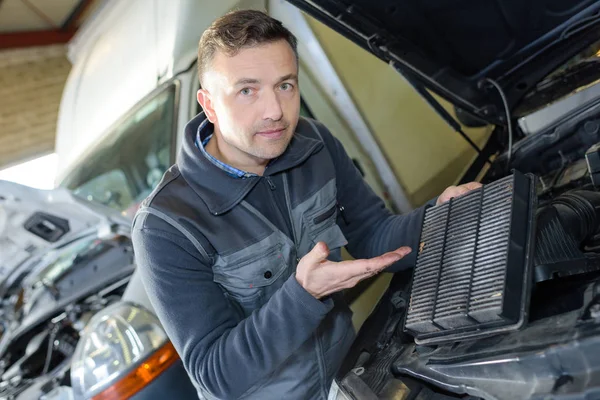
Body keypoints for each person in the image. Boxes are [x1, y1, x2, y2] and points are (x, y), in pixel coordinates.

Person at [132, 9, 480, 400]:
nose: (275, 111)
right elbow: (215, 374)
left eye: (285, 85)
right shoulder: (166, 226)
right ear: (209, 105)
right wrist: (303, 295)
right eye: (247, 90)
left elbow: (373, 235)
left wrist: (441, 218)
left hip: (353, 378)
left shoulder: (314, 144)